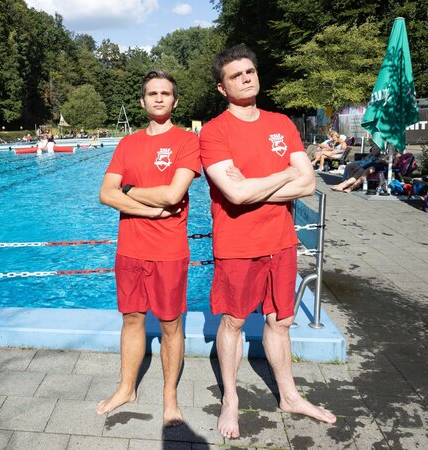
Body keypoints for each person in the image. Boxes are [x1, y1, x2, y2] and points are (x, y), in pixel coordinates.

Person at [199, 44, 336, 439]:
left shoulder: (281, 124)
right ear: (223, 89)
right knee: (235, 320)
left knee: (281, 321)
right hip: (238, 244)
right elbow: (236, 195)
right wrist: (283, 177)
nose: (245, 77)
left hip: (281, 240)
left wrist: (256, 183)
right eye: (235, 75)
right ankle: (230, 399)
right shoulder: (214, 132)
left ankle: (289, 395)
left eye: (249, 71)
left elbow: (308, 183)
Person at [98, 69, 200, 428]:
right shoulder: (127, 144)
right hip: (130, 249)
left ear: (175, 100)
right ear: (142, 101)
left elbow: (174, 194)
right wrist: (150, 207)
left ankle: (170, 397)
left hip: (169, 250)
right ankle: (127, 387)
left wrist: (128, 192)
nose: (158, 98)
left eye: (165, 93)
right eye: (152, 93)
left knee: (171, 324)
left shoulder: (187, 141)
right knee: (131, 319)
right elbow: (104, 194)